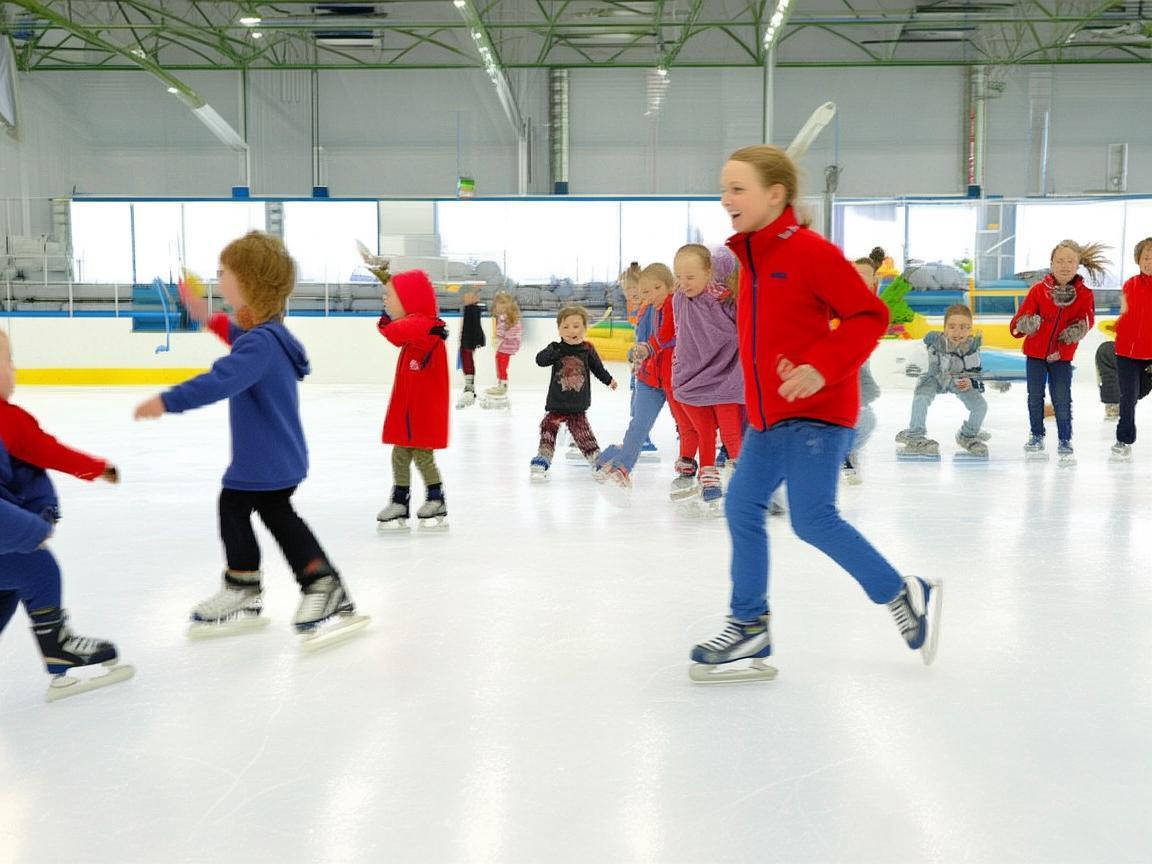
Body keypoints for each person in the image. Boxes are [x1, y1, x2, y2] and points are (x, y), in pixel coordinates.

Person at [689, 145, 940, 683]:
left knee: (812, 519)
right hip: (769, 415)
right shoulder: (751, 259)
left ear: (774, 194)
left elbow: (868, 315)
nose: (725, 198)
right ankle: (750, 622)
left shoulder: (810, 253)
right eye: (724, 187)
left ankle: (900, 590)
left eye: (737, 188)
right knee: (742, 505)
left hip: (819, 412)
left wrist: (822, 367)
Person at [136, 231, 367, 647]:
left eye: (224, 273)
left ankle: (319, 585)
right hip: (269, 456)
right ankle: (251, 586)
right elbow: (231, 330)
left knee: (270, 514)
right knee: (245, 507)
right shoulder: (266, 335)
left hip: (268, 459)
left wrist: (167, 402)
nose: (219, 279)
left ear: (248, 283)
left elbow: (221, 379)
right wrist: (199, 310)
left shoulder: (261, 344)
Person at [0, 330, 132, 700]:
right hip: (14, 532)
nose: (14, 370)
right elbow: (50, 452)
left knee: (9, 588)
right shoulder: (9, 420)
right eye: (8, 362)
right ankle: (58, 648)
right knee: (38, 570)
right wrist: (97, 468)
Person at [1009, 239, 1107, 464]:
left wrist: (1075, 331)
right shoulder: (1038, 290)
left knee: (1062, 398)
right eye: (1060, 261)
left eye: (1070, 261)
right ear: (1051, 264)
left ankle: (1065, 439)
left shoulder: (1084, 294)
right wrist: (1028, 323)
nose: (1065, 265)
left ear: (1077, 264)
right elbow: (1018, 320)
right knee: (1035, 397)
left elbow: (1087, 320)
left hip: (1062, 356)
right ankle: (1037, 435)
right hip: (1035, 354)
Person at [373, 269, 451, 528]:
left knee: (422, 455)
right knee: (400, 454)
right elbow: (394, 334)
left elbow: (394, 333)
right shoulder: (421, 324)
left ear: (410, 299)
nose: (385, 300)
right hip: (409, 408)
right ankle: (399, 501)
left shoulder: (424, 323)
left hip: (422, 409)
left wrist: (386, 319)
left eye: (389, 296)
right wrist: (387, 315)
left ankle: (436, 497)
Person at [669, 244, 744, 505]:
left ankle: (747, 482)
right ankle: (708, 476)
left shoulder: (725, 300)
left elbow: (735, 332)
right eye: (678, 276)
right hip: (691, 375)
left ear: (708, 272)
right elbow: (685, 336)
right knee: (704, 432)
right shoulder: (678, 298)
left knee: (731, 433)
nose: (683, 283)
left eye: (690, 277)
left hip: (725, 374)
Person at [595, 264, 679, 487]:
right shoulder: (644, 310)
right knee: (639, 425)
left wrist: (646, 349)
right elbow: (641, 342)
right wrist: (635, 354)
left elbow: (668, 336)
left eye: (654, 289)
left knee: (686, 426)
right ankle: (622, 468)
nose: (647, 295)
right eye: (643, 292)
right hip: (648, 378)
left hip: (675, 378)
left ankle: (694, 470)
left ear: (670, 286)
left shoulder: (677, 305)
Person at [530, 306, 618, 478]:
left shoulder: (587, 349)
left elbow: (598, 369)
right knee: (548, 428)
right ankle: (543, 457)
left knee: (583, 434)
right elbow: (540, 360)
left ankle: (596, 460)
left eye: (576, 326)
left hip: (578, 405)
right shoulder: (556, 348)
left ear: (585, 328)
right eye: (566, 327)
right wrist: (552, 352)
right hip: (557, 403)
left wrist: (609, 380)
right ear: (559, 330)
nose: (571, 331)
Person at [894, 304, 988, 458]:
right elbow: (920, 349)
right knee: (921, 398)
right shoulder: (935, 340)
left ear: (970, 329)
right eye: (952, 327)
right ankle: (914, 435)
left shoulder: (972, 346)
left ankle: (968, 435)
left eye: (964, 327)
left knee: (980, 406)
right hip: (934, 377)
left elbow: (975, 371)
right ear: (944, 328)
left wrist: (970, 381)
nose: (958, 332)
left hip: (958, 379)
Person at [842, 255, 884, 483]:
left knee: (865, 419)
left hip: (858, 377)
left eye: (864, 274)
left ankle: (845, 451)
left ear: (873, 278)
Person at [1111, 237, 1152, 460]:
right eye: (1146, 257)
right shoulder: (1130, 284)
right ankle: (1123, 439)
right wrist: (1118, 326)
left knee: (1138, 393)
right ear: (1138, 260)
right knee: (1128, 396)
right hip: (1127, 351)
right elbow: (1125, 311)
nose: (1150, 262)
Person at [483, 291, 523, 401]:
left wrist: (500, 336)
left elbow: (512, 331)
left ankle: (503, 384)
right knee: (499, 360)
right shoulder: (502, 316)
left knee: (502, 362)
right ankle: (501, 382)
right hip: (504, 344)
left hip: (507, 345)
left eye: (503, 303)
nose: (500, 305)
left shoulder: (509, 317)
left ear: (509, 304)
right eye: (498, 303)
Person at [455, 291, 486, 409]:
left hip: (468, 341)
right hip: (467, 340)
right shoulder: (470, 309)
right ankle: (469, 384)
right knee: (466, 360)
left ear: (474, 298)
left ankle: (469, 385)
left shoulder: (471, 309)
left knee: (467, 360)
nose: (465, 297)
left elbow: (475, 326)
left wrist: (477, 340)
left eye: (469, 296)